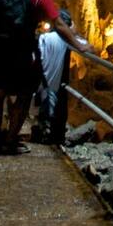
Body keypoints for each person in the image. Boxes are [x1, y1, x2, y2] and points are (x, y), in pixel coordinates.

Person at [0, 0, 91, 153]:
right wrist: (79, 45)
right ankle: (11, 141)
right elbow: (59, 23)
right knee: (23, 95)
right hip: (18, 51)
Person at [32, 10, 83, 145]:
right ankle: (54, 136)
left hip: (42, 78)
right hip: (56, 81)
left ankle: (44, 130)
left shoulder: (44, 37)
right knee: (54, 105)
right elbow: (86, 47)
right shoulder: (66, 40)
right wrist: (74, 32)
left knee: (44, 104)